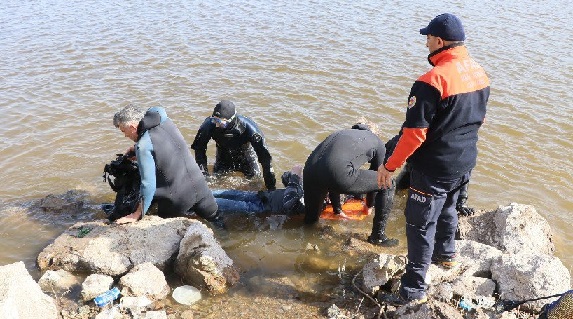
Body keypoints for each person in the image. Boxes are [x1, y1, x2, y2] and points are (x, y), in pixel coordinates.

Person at [377, 13, 490, 305]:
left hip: (434, 168)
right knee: (450, 207)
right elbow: (481, 119)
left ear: (439, 41)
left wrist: (390, 167)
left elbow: (414, 135)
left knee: (419, 226)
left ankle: (412, 291)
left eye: (427, 38)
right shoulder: (479, 72)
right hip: (465, 162)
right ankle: (447, 255)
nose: (425, 43)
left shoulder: (431, 81)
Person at [113, 104, 220, 224]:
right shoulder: (160, 116)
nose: (125, 135)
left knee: (165, 231)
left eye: (124, 131)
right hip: (200, 186)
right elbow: (160, 143)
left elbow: (148, 184)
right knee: (217, 221)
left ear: (132, 127)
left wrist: (137, 214)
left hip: (177, 198)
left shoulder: (143, 147)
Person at [303, 123, 398, 247]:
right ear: (374, 133)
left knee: (310, 223)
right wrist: (369, 206)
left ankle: (305, 246)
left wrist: (337, 210)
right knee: (389, 183)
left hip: (309, 171)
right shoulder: (377, 141)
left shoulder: (340, 133)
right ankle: (378, 237)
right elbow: (380, 177)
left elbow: (331, 165)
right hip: (336, 173)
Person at [191, 100, 277, 190]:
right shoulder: (208, 125)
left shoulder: (249, 128)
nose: (217, 125)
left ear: (232, 120)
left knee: (256, 184)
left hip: (247, 157)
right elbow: (199, 149)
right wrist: (204, 175)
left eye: (221, 122)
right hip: (223, 157)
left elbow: (265, 160)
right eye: (215, 120)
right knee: (216, 183)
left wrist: (271, 188)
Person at [388, 133, 475, 216]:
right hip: (420, 161)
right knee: (399, 187)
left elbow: (465, 168)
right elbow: (409, 134)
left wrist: (462, 200)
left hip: (447, 165)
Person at [213, 165, 305, 216]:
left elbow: (288, 203)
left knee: (215, 202)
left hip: (260, 208)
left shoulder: (314, 204)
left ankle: (200, 203)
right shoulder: (311, 189)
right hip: (263, 196)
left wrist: (295, 178)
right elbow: (285, 178)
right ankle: (201, 193)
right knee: (224, 193)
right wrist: (294, 177)